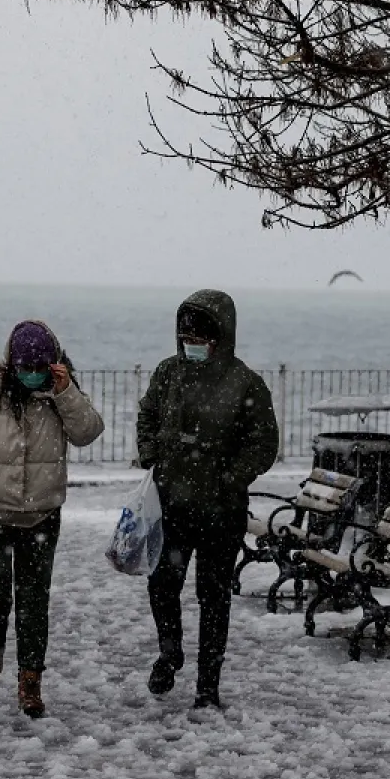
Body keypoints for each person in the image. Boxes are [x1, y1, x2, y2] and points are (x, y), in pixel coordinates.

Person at [0, 320, 104, 717]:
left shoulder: (62, 390)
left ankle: (30, 680)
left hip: (41, 514)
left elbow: (88, 432)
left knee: (34, 600)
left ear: (53, 364)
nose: (31, 374)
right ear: (12, 363)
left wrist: (66, 393)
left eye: (38, 367)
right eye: (24, 367)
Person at [136, 289, 279, 708]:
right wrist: (151, 454)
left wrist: (229, 478)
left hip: (221, 510)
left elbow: (263, 443)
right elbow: (148, 414)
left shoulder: (245, 383)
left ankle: (208, 686)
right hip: (172, 504)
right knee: (162, 586)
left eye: (199, 339)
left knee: (213, 598)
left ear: (221, 337)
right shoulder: (168, 373)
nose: (191, 345)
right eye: (185, 338)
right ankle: (170, 653)